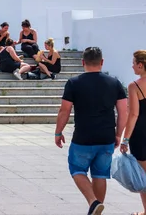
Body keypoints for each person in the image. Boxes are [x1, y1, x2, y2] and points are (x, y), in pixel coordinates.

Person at [54, 47, 127, 215]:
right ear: (102, 62)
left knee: (77, 170)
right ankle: (96, 209)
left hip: (83, 136)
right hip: (106, 136)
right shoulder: (114, 83)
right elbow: (123, 111)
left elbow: (64, 110)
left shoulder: (74, 83)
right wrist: (118, 134)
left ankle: (93, 203)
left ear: (83, 62)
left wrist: (58, 132)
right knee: (100, 174)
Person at [120, 50, 146, 215]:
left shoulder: (134, 85)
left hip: (141, 134)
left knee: (143, 176)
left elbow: (133, 114)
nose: (132, 66)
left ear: (140, 65)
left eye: (133, 62)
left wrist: (125, 139)